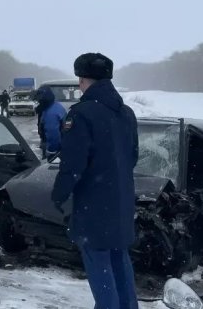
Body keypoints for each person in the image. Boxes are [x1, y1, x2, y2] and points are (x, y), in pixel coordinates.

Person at [51, 53, 139, 309]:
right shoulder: (126, 113)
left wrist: (59, 194)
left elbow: (73, 165)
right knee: (119, 259)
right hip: (121, 202)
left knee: (99, 266)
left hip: (93, 206)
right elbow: (132, 156)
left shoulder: (81, 115)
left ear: (82, 80)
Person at [35, 86, 67, 159]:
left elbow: (53, 133)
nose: (38, 101)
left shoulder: (50, 112)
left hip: (56, 148)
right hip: (62, 143)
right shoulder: (55, 106)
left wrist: (51, 151)